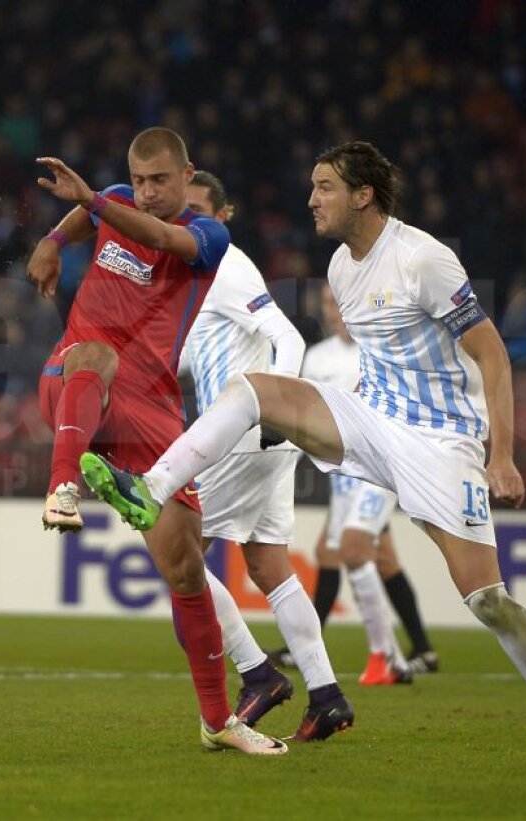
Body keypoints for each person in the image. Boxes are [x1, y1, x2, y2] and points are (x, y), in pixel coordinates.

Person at [81, 141, 526, 768]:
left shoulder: (423, 259)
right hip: (372, 420)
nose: (311, 199)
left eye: (324, 187)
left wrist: (503, 455)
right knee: (254, 390)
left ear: (363, 195)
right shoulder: (341, 268)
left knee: (487, 600)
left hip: (440, 443)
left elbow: (492, 353)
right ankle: (151, 488)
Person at [27, 127, 286, 755]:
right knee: (90, 352)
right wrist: (53, 239)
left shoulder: (207, 235)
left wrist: (93, 202)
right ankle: (65, 482)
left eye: (159, 181)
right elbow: (93, 219)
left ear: (186, 174)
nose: (145, 193)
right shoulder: (112, 201)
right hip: (77, 382)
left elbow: (161, 238)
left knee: (186, 568)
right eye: (137, 181)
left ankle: (219, 722)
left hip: (152, 407)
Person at [179, 171, 352, 739]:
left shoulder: (227, 266)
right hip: (259, 434)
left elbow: (291, 339)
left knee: (178, 556)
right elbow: (187, 361)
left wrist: (273, 406)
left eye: (202, 209)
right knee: (270, 567)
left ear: (223, 216)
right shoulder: (189, 277)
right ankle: (326, 695)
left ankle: (259, 675)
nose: (190, 219)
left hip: (245, 429)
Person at [268, 287, 437, 684]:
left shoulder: (379, 349)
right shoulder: (317, 356)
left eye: (341, 303)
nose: (335, 311)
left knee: (349, 548)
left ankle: (383, 658)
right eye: (328, 303)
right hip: (343, 473)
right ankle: (417, 650)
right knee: (360, 555)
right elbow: (307, 412)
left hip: (380, 467)